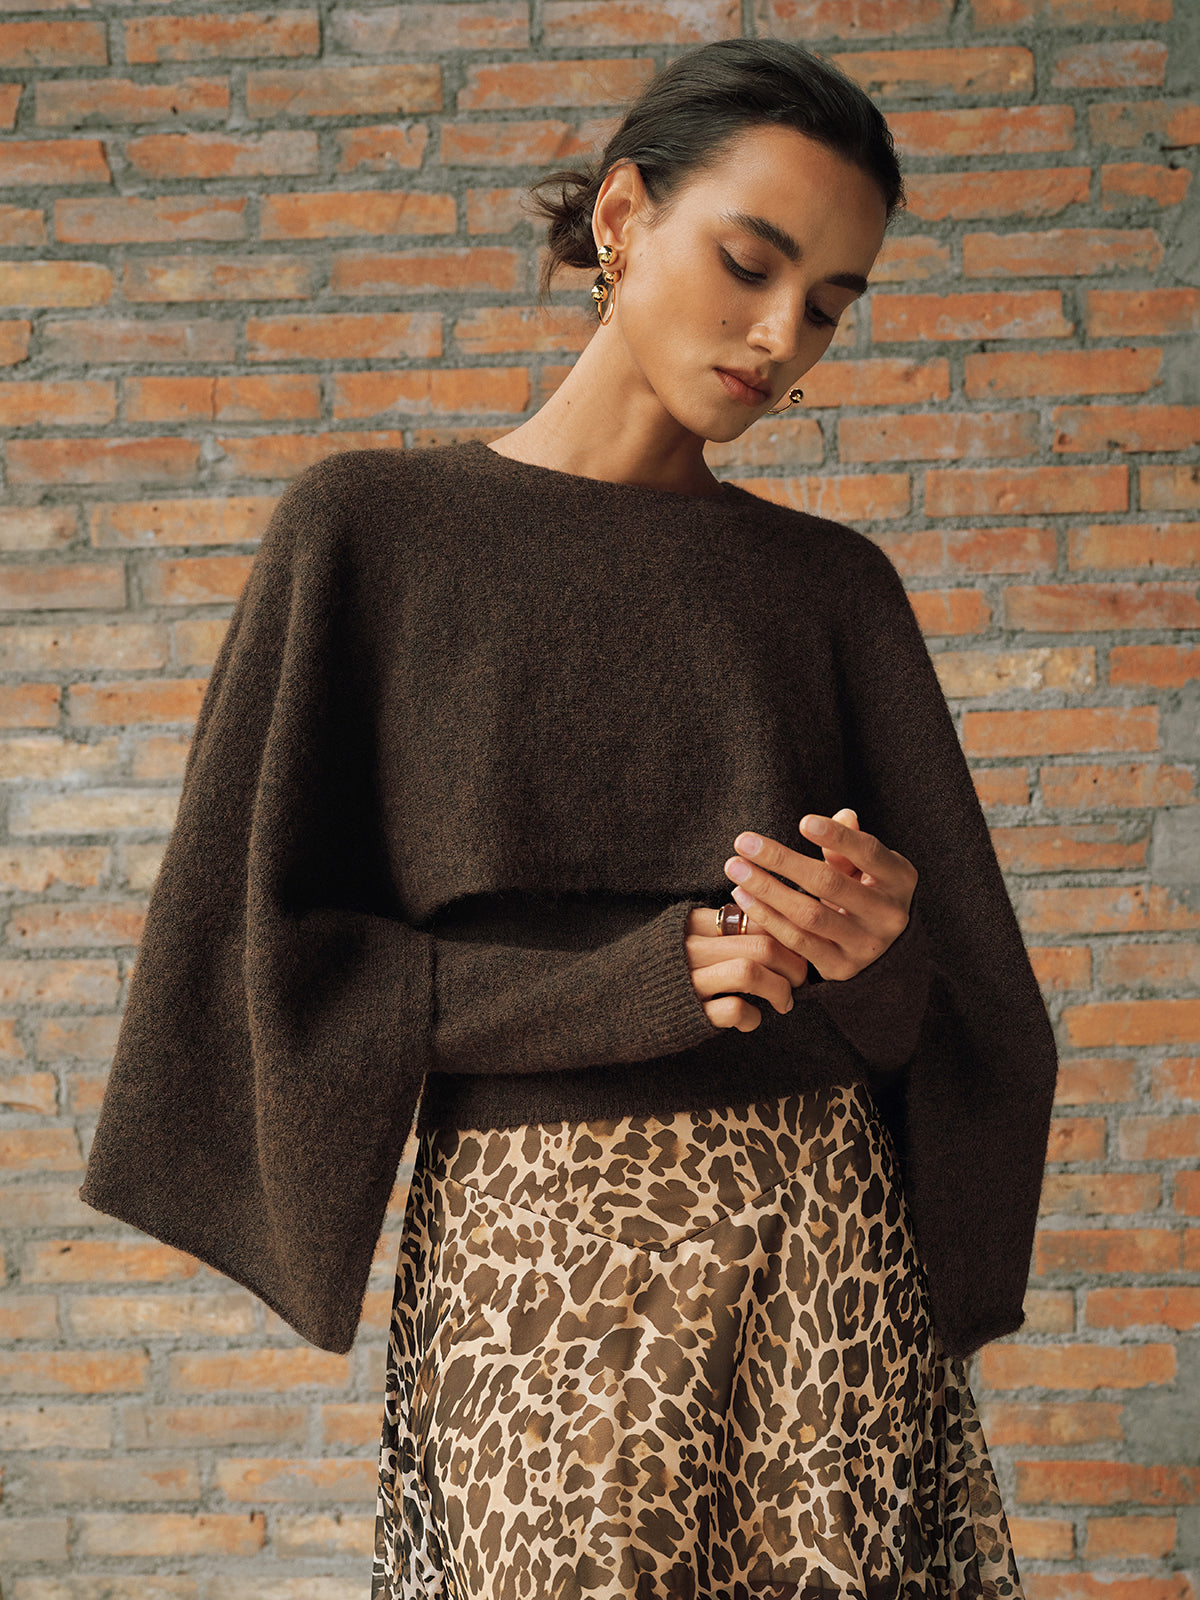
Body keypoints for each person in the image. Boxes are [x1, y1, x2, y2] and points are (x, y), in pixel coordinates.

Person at [80, 36, 1058, 1600]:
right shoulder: (373, 535)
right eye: (751, 263)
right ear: (619, 219)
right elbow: (273, 973)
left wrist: (877, 952)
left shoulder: (833, 590)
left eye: (829, 305)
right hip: (541, 1270)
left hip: (824, 1262)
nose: (780, 336)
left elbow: (964, 1029)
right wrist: (639, 983)